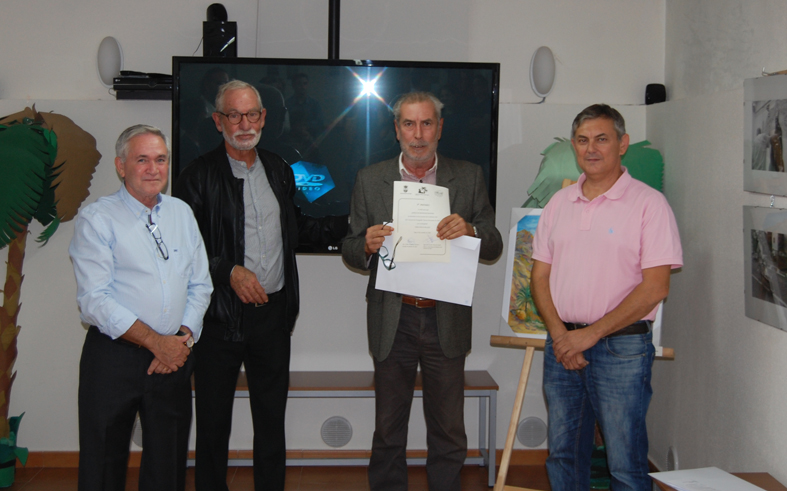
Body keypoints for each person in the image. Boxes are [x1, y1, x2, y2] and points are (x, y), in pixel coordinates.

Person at [173, 80, 346, 491]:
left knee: (271, 422)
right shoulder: (197, 175)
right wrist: (228, 272)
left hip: (273, 316)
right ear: (218, 121)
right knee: (213, 424)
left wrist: (352, 221)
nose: (244, 124)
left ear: (264, 118)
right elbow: (183, 250)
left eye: (252, 114)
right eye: (234, 115)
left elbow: (298, 228)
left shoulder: (278, 168)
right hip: (218, 321)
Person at [342, 91, 503, 491]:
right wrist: (366, 244)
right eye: (409, 124)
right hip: (392, 317)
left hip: (444, 317)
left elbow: (494, 243)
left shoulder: (468, 176)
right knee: (388, 426)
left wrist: (471, 230)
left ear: (440, 128)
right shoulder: (370, 178)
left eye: (427, 123)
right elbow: (350, 246)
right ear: (397, 130)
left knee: (448, 427)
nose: (418, 134)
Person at [530, 104, 683, 491]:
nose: (591, 148)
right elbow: (540, 277)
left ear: (623, 144)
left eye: (602, 139)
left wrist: (589, 334)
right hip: (562, 346)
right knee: (563, 456)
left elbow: (656, 287)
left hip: (621, 348)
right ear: (573, 146)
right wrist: (561, 335)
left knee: (624, 462)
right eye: (583, 140)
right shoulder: (558, 204)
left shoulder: (650, 204)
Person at [69, 125, 212, 491]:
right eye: (142, 160)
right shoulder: (97, 219)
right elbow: (94, 300)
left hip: (173, 358)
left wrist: (181, 338)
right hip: (114, 357)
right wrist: (154, 342)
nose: (153, 169)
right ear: (121, 166)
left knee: (168, 466)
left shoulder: (181, 213)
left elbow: (200, 284)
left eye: (160, 160)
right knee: (103, 464)